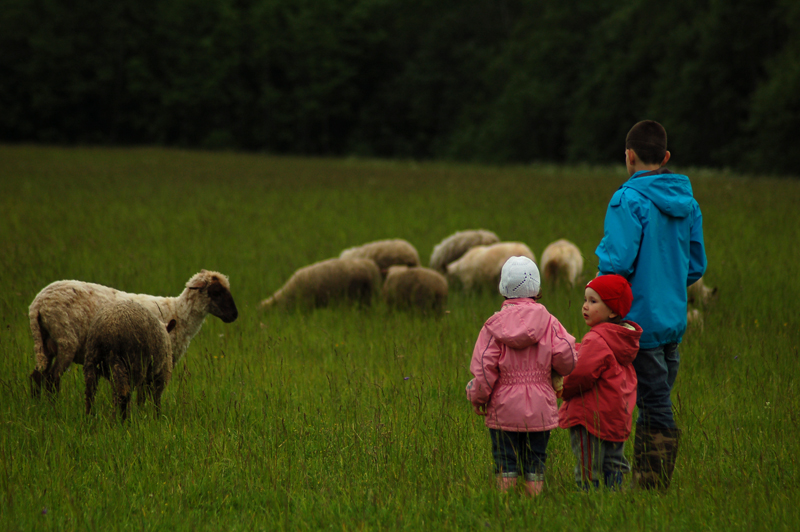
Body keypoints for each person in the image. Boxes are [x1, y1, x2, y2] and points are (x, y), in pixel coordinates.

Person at [595, 120, 707, 489]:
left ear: (628, 155)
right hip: (673, 320)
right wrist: (668, 284)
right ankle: (646, 478)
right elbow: (696, 266)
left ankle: (651, 486)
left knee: (655, 402)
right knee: (656, 396)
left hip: (636, 323)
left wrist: (599, 298)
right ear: (666, 157)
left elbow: (616, 264)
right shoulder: (688, 203)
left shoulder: (627, 199)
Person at [466, 256, 577, 496]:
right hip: (540, 406)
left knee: (505, 458)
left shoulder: (493, 327)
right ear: (536, 288)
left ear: (503, 288)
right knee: (536, 458)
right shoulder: (550, 323)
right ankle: (532, 502)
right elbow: (567, 357)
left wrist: (477, 397)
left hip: (504, 407)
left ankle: (505, 505)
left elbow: (484, 370)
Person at [558, 275, 642, 490]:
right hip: (616, 416)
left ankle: (589, 504)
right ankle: (613, 500)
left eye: (593, 301)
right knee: (613, 461)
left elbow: (581, 374)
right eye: (585, 300)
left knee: (588, 464)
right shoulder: (624, 339)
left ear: (613, 310)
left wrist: (563, 388)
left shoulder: (596, 339)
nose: (585, 306)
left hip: (590, 417)